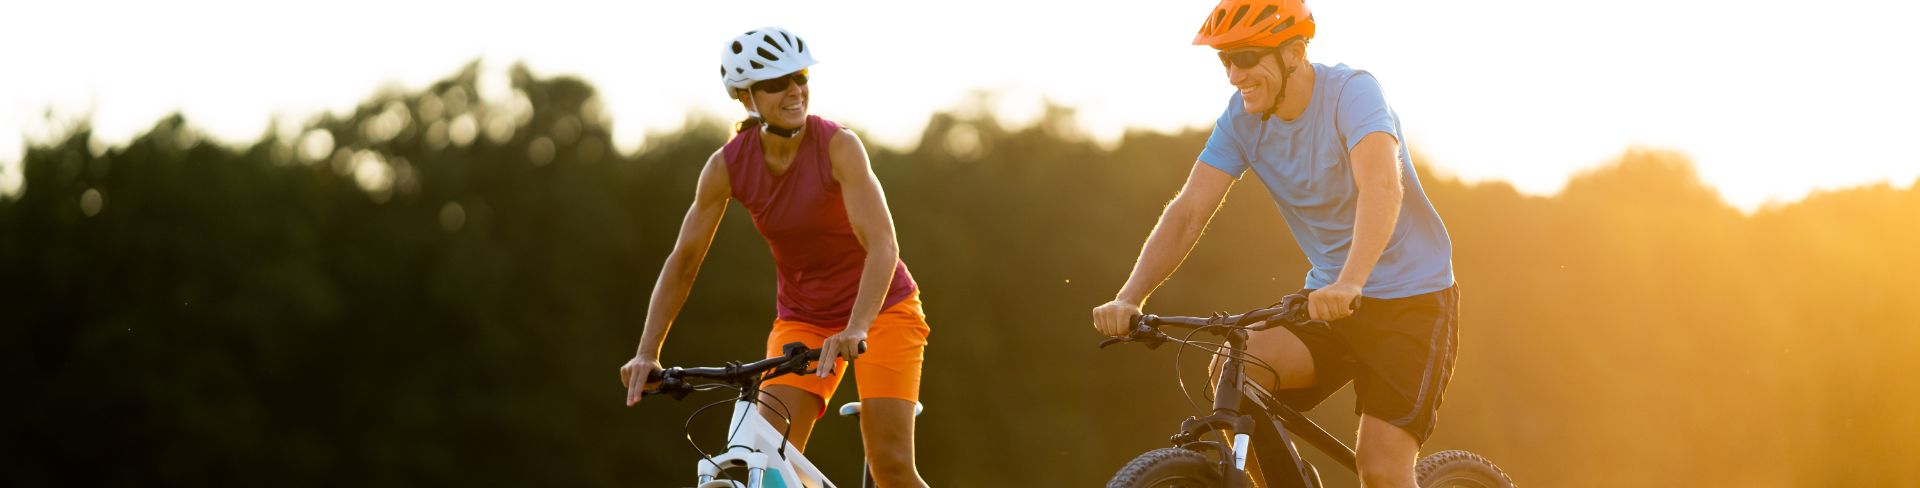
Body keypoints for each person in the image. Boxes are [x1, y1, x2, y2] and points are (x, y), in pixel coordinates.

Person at [1089, 2, 1459, 486]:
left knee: (1382, 469)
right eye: (1225, 61)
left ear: (1295, 53)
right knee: (1236, 376)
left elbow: (1382, 186)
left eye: (1245, 57)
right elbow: (1187, 212)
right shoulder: (1241, 120)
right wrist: (1131, 296)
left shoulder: (1353, 93)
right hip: (1330, 304)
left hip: (1412, 302)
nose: (1233, 75)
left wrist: (1351, 281)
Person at [618, 27, 931, 487]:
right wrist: (647, 354)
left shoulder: (838, 146)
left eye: (799, 77)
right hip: (803, 321)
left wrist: (857, 326)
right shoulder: (727, 166)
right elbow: (683, 261)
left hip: (881, 310)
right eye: (775, 84)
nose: (794, 91)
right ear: (745, 95)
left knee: (890, 466)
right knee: (766, 457)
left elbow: (882, 245)